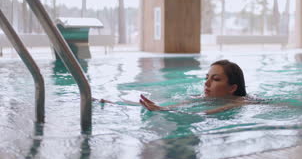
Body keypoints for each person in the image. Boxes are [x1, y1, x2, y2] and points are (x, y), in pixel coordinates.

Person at [98, 60, 250, 115]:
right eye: (206, 78)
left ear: (232, 88)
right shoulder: (202, 98)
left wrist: (163, 111)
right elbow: (164, 105)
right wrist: (116, 103)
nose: (206, 83)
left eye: (215, 79)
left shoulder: (239, 103)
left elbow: (206, 113)